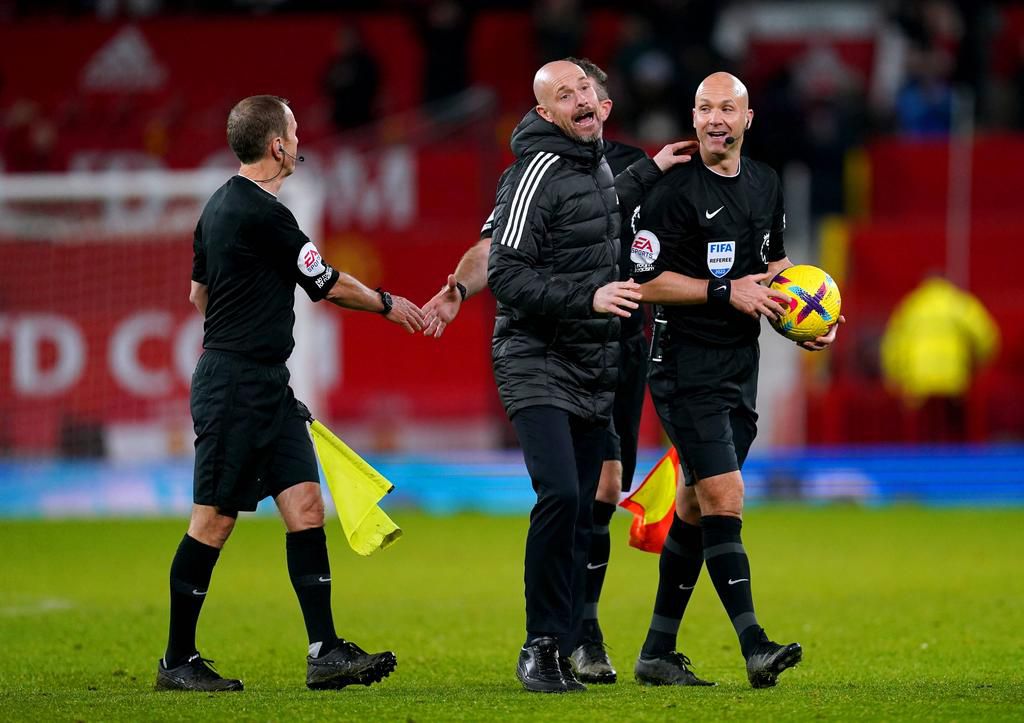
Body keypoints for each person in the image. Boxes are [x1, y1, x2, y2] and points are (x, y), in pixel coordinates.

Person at [421, 58, 695, 687]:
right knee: (564, 495)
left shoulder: (595, 165)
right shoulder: (533, 171)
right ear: (545, 113)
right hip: (535, 357)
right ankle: (540, 644)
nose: (581, 101)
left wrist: (649, 169)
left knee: (583, 506)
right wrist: (588, 297)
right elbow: (508, 272)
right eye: (563, 95)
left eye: (586, 91)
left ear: (602, 101)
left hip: (592, 360)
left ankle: (568, 639)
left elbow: (598, 210)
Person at [156, 95, 425, 693]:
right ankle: (176, 660)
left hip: (264, 383)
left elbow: (196, 294)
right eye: (295, 132)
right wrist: (389, 303)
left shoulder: (217, 207)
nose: (299, 141)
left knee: (305, 505)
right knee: (213, 520)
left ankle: (324, 650)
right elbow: (325, 284)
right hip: (235, 386)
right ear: (278, 145)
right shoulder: (264, 214)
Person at [629, 72, 843, 689]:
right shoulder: (669, 192)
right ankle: (755, 645)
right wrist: (725, 290)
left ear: (748, 119)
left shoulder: (765, 184)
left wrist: (806, 320)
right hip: (682, 366)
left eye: (727, 107)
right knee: (726, 498)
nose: (714, 118)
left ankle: (656, 653)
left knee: (696, 506)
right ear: (692, 118)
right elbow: (643, 282)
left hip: (737, 367)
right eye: (703, 107)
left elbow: (773, 271)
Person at [880, 273, 999, 440]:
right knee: (954, 441)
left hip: (919, 386)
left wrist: (895, 379)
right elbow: (987, 336)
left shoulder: (912, 306)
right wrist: (977, 364)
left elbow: (892, 346)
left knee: (923, 441)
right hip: (953, 383)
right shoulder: (958, 303)